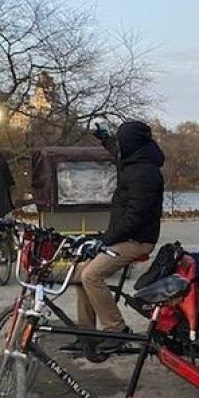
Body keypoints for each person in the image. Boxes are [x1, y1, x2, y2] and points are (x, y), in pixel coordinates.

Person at [73, 121, 165, 353]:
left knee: (92, 275)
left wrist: (105, 239)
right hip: (125, 237)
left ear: (131, 143)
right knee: (80, 274)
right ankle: (86, 334)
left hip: (138, 240)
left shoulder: (145, 173)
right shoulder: (134, 160)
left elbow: (136, 217)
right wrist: (104, 138)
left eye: (121, 139)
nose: (120, 143)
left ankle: (116, 329)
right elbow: (118, 153)